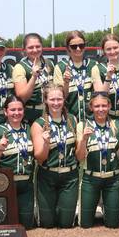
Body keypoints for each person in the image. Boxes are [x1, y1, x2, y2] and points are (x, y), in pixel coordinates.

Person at [31, 83, 79, 228]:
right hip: (47, 175)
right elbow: (39, 158)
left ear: (64, 99)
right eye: (52, 99)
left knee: (66, 224)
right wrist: (46, 143)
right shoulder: (38, 124)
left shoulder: (72, 120)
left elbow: (79, 154)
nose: (56, 103)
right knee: (47, 224)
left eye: (59, 99)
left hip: (69, 176)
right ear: (45, 100)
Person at [76, 92, 119, 228]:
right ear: (91, 107)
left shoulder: (117, 125)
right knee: (85, 224)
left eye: (104, 105)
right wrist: (84, 140)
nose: (101, 109)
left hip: (112, 178)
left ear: (109, 106)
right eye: (97, 106)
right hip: (90, 178)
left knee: (113, 224)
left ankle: (108, 207)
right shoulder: (83, 125)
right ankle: (96, 206)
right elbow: (79, 157)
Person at [0, 95, 36, 229]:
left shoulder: (30, 129)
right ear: (5, 112)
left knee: (27, 226)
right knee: (6, 225)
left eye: (20, 109)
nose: (16, 113)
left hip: (26, 183)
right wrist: (0, 149)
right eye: (12, 110)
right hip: (5, 184)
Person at [54, 30, 104, 123]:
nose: (78, 49)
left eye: (81, 45)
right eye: (74, 46)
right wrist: (66, 83)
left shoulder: (93, 65)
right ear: (68, 48)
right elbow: (60, 98)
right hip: (69, 120)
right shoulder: (60, 67)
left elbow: (99, 93)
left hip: (91, 119)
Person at [12, 33, 55, 125]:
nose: (35, 50)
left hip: (50, 112)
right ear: (24, 49)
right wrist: (33, 77)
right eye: (31, 47)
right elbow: (22, 97)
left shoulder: (49, 64)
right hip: (31, 114)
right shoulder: (20, 67)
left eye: (38, 46)